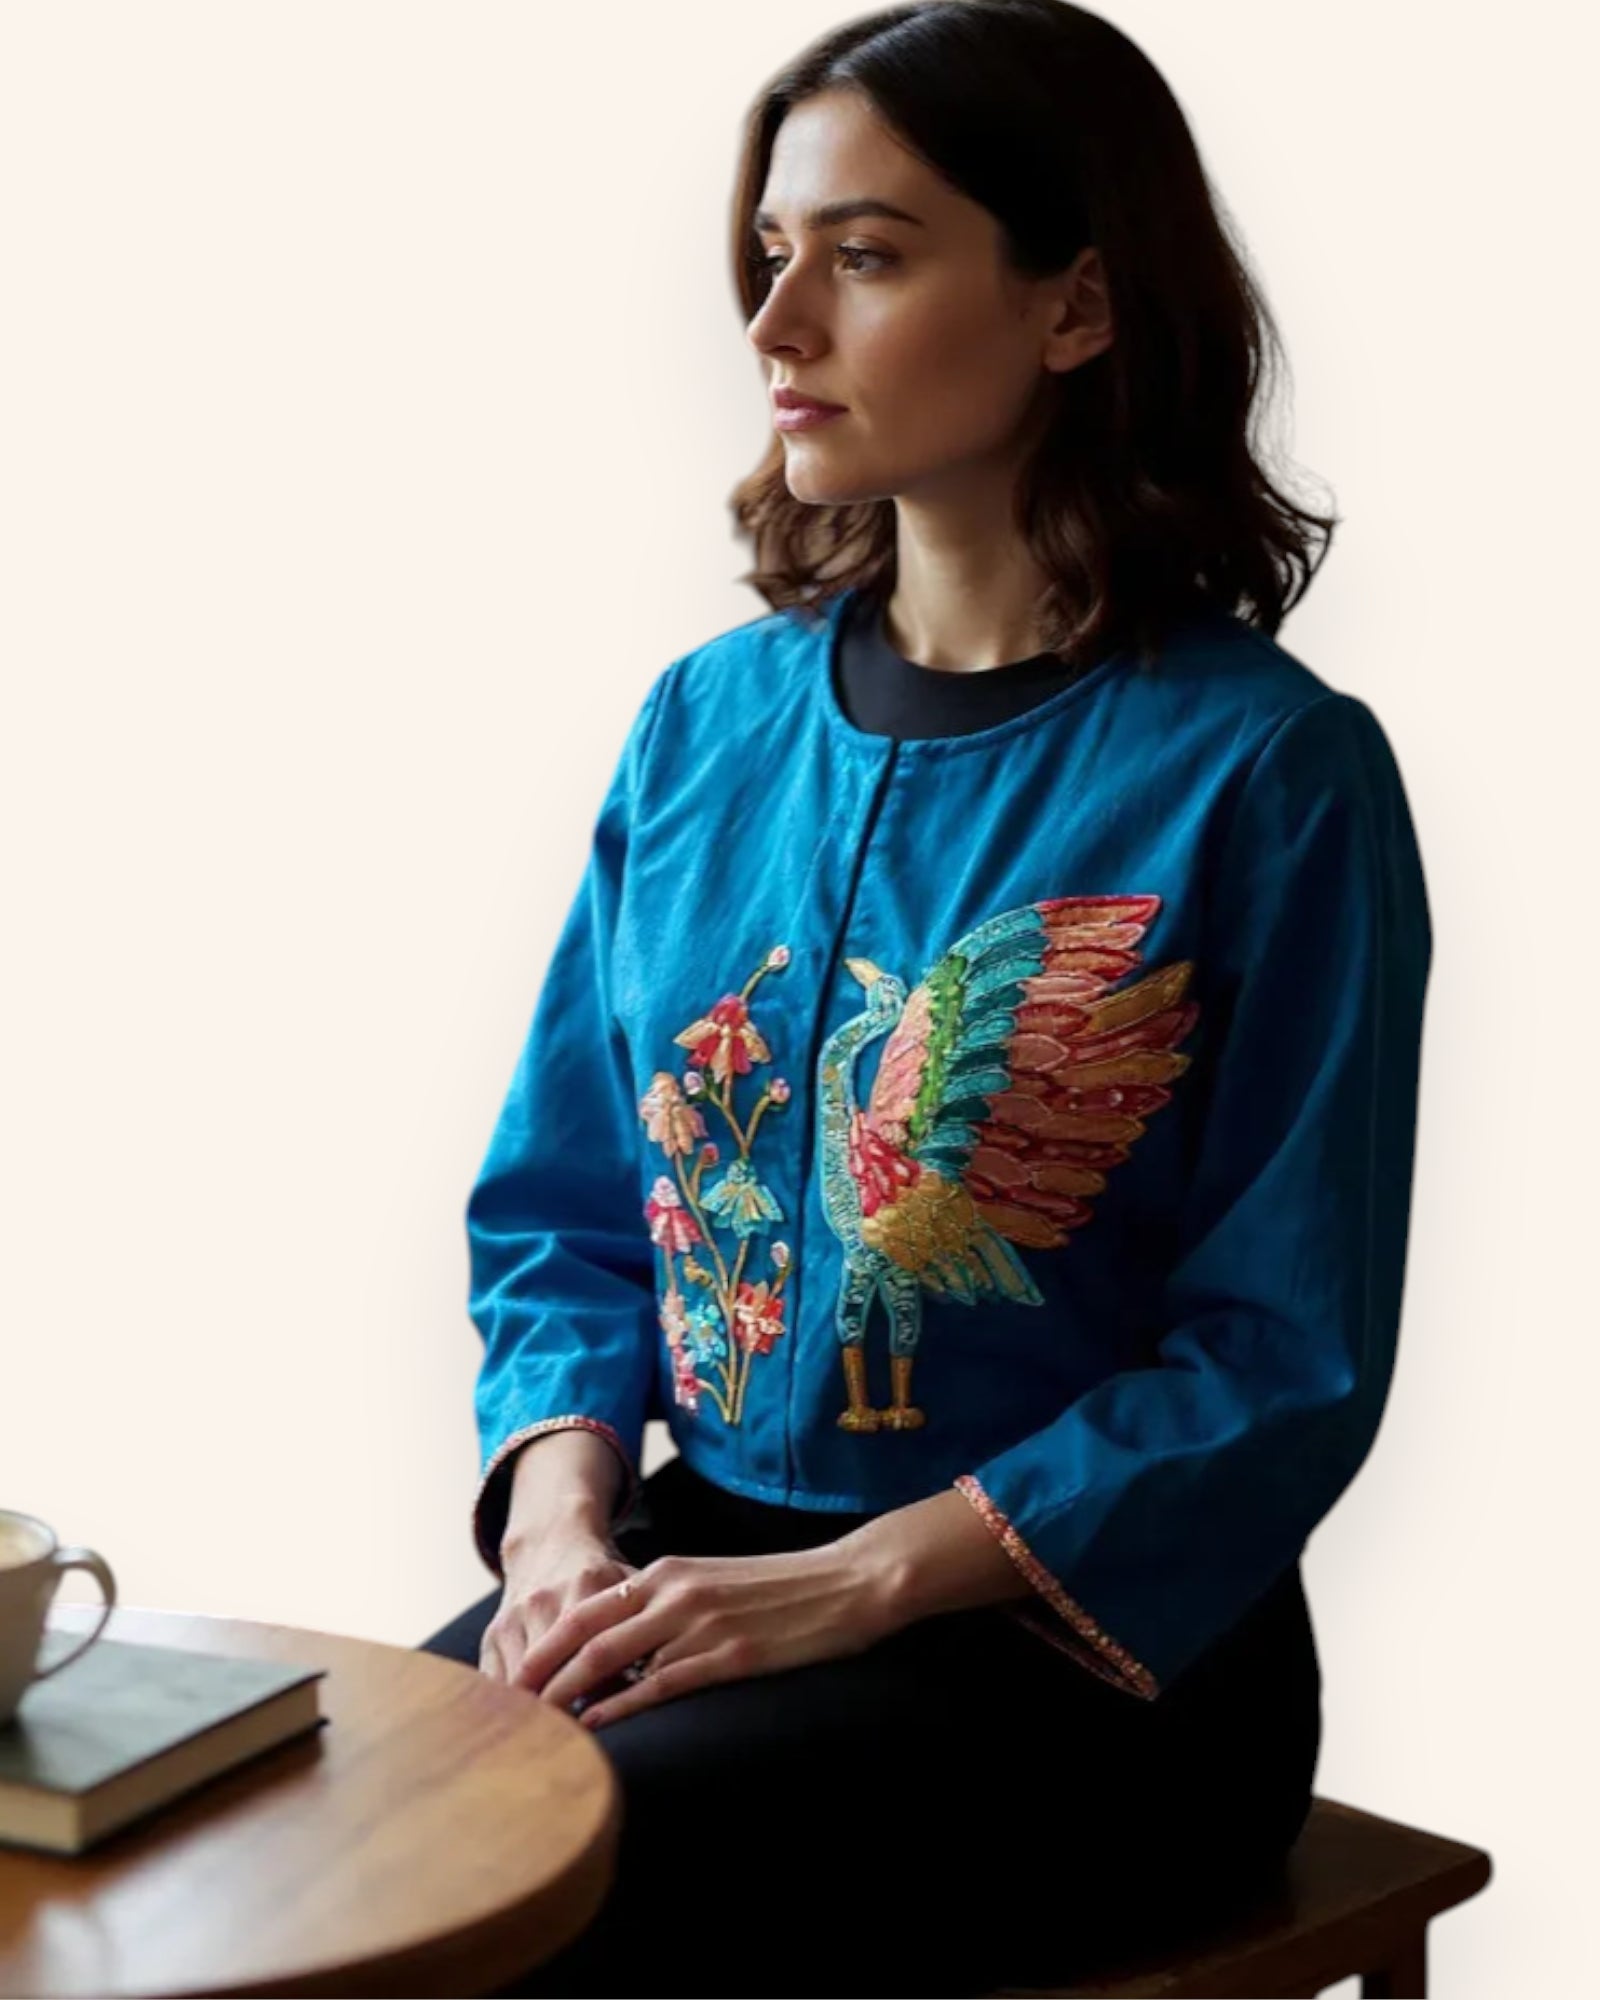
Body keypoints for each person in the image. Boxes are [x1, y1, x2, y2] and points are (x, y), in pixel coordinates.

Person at [418, 3, 1433, 1994]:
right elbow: (565, 1209)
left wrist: (852, 1584)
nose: (776, 321)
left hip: (1092, 1657)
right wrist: (557, 1538)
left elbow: (1277, 1357)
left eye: (865, 256)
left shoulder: (1266, 777)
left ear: (1076, 307)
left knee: (526, 1889)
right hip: (698, 1559)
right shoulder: (704, 726)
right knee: (330, 1811)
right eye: (770, 253)